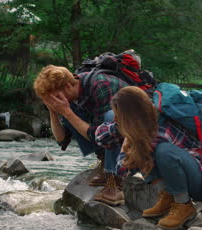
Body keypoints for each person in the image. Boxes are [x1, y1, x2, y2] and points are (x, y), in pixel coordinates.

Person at [95, 86, 202, 230]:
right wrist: (121, 129)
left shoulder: (159, 128)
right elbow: (99, 136)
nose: (116, 118)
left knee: (161, 152)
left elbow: (122, 169)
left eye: (119, 115)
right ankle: (167, 196)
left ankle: (183, 204)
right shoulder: (141, 122)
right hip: (186, 174)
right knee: (143, 149)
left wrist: (128, 139)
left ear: (130, 114)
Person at [33, 65, 130, 205]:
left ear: (67, 86)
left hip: (136, 136)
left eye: (53, 97)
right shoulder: (69, 99)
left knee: (110, 116)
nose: (53, 101)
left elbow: (105, 134)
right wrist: (53, 111)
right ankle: (105, 164)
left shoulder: (101, 85)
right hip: (109, 136)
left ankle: (115, 182)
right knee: (71, 112)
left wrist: (66, 112)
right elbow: (62, 139)